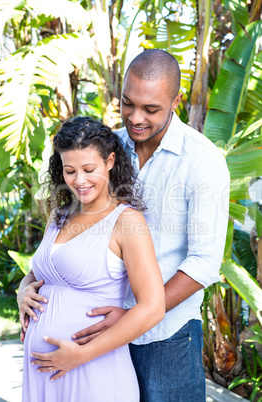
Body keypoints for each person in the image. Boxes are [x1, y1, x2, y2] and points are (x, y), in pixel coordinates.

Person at [18, 49, 230, 402]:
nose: (135, 117)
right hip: (96, 337)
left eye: (150, 109)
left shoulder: (202, 162)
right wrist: (28, 287)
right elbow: (73, 235)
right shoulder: (107, 146)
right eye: (128, 104)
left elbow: (204, 263)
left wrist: (133, 314)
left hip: (165, 335)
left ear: (176, 100)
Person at [19, 116, 165, 402]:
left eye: (89, 169)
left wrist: (80, 355)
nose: (79, 181)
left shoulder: (127, 222)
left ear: (110, 161)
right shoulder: (59, 216)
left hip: (93, 369)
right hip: (43, 375)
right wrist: (23, 290)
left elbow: (152, 307)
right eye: (69, 171)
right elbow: (40, 275)